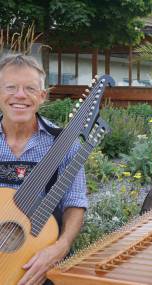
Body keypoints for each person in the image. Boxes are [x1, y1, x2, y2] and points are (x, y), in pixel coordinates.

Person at [0, 54, 88, 285]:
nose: (20, 95)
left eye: (30, 88)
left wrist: (61, 246)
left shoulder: (64, 143)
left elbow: (75, 202)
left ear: (42, 96)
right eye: (11, 87)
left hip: (38, 258)